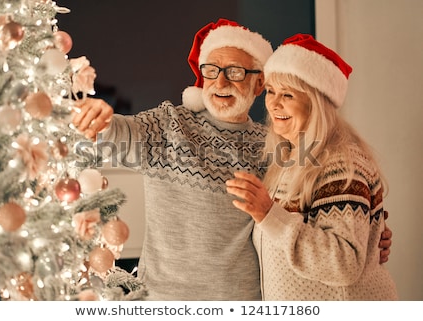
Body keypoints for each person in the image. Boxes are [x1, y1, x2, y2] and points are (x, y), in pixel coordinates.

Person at [72, 19, 393, 300]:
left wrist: (370, 231)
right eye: (211, 70)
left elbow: (312, 211)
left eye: (235, 71)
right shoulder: (168, 125)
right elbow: (114, 136)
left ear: (258, 83)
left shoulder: (273, 149)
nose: (220, 82)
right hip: (164, 299)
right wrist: (100, 118)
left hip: (248, 300)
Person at [225, 34, 398, 300]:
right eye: (271, 91)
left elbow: (343, 263)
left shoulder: (339, 163)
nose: (273, 103)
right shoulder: (291, 158)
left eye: (288, 94)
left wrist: (269, 214)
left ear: (315, 102)